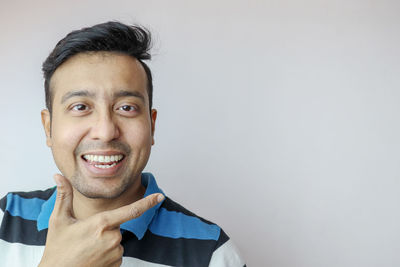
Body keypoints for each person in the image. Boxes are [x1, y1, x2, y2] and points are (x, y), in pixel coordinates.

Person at [0, 21, 245, 267]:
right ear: (48, 127)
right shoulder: (3, 219)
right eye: (81, 107)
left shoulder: (213, 254)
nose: (106, 132)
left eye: (126, 108)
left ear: (152, 125)